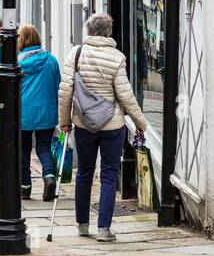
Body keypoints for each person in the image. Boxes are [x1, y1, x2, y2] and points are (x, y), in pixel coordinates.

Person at [58, 12, 148, 243]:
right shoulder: (116, 58)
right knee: (108, 175)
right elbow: (126, 96)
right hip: (112, 125)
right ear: (109, 32)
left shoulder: (76, 54)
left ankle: (82, 224)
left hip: (84, 123)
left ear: (88, 31)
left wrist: (65, 121)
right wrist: (141, 123)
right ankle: (104, 229)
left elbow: (66, 91)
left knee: (84, 173)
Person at [13, 24, 61, 202]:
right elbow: (58, 86)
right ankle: (49, 177)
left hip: (24, 114)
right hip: (47, 113)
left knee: (23, 149)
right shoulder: (51, 60)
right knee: (44, 147)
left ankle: (25, 187)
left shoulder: (18, 64)